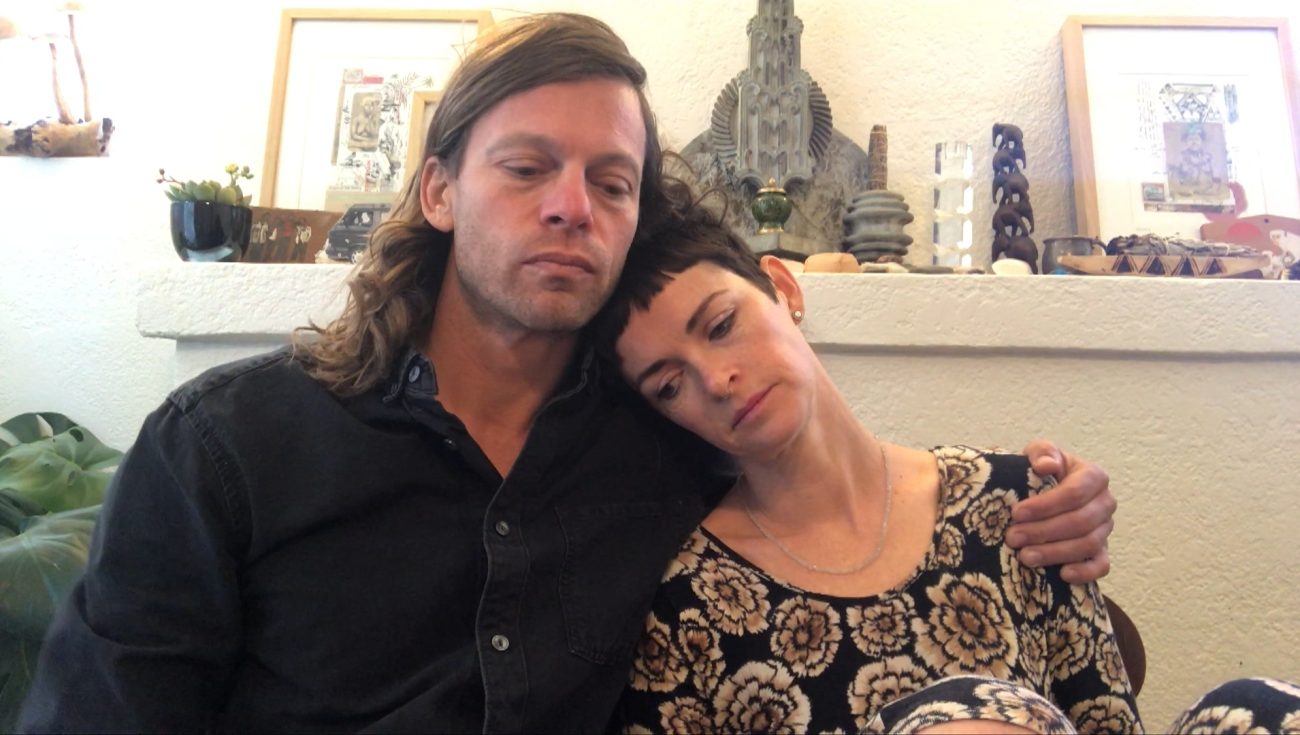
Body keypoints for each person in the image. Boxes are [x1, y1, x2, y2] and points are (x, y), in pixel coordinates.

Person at [20, 13, 1117, 733]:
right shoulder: (228, 449)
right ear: (439, 191)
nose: (570, 207)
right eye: (526, 167)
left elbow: (827, 479)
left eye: (612, 182)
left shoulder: (664, 435)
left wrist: (1026, 495)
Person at [592, 206, 1300, 734]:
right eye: (670, 384)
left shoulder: (1014, 506)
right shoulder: (690, 602)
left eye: (721, 326)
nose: (716, 380)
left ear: (784, 289)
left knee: (1260, 708)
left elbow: (1108, 723)